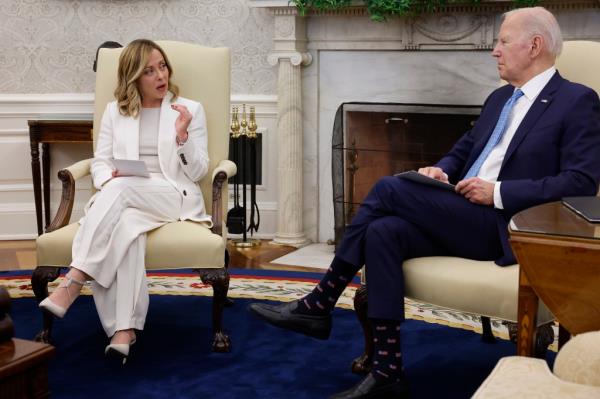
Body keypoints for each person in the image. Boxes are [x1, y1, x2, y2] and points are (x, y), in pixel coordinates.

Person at [249, 7, 600, 399]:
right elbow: (465, 149)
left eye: (502, 41)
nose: (494, 50)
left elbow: (582, 182)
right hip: (465, 213)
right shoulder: (500, 97)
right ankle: (387, 371)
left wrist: (497, 192)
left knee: (387, 188)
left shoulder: (577, 101)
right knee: (384, 232)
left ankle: (321, 301)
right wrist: (441, 170)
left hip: (508, 225)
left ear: (534, 45)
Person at [39, 39, 211, 363]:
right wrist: (109, 179)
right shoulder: (115, 112)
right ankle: (123, 329)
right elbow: (100, 162)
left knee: (120, 191)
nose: (160, 75)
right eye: (149, 71)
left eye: (162, 66)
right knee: (127, 229)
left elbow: (200, 170)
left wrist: (182, 136)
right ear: (133, 77)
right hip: (129, 198)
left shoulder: (188, 109)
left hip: (173, 195)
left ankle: (74, 280)